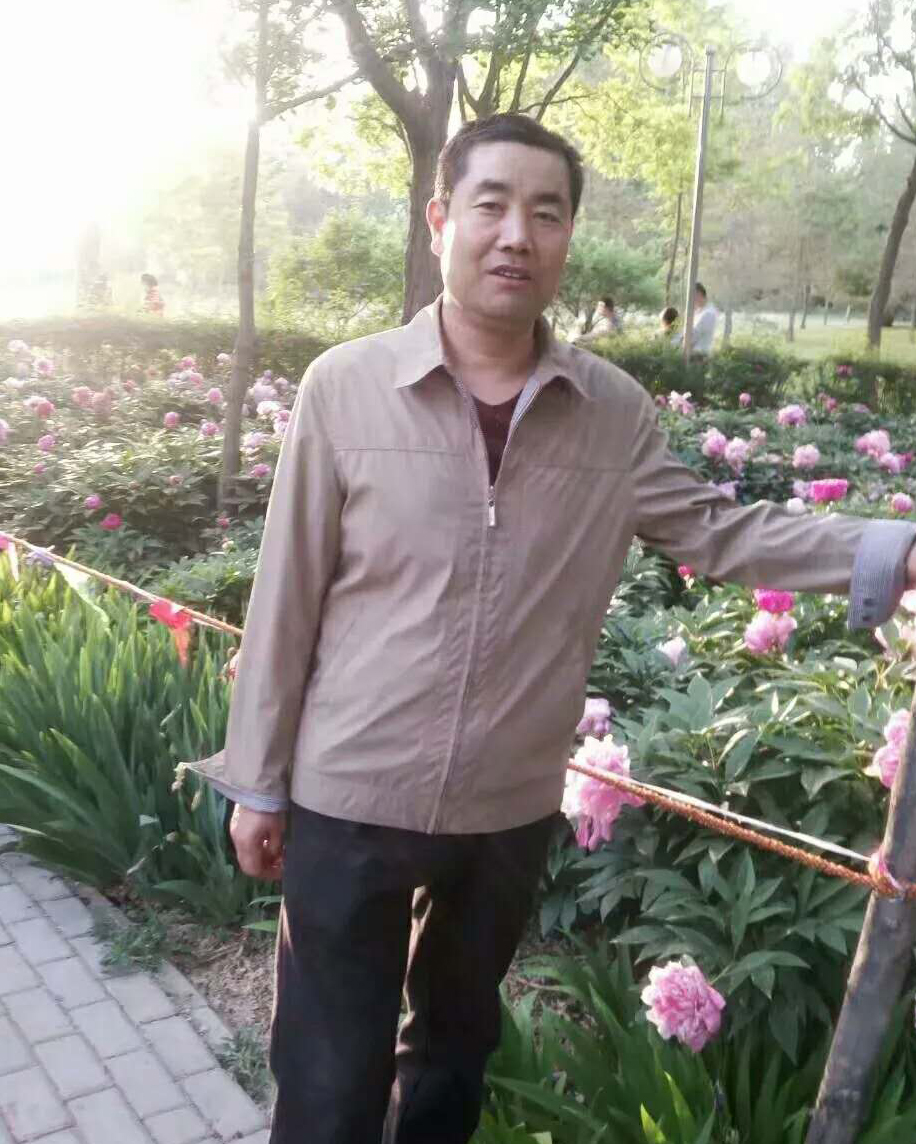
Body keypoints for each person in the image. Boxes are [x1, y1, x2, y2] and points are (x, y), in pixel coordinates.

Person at [185, 113, 916, 1144]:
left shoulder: (609, 412)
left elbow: (719, 531)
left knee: (451, 1064)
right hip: (351, 792)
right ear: (441, 219)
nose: (516, 234)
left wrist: (891, 551)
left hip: (507, 803)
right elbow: (287, 593)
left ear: (569, 235)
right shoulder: (346, 387)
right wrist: (258, 779)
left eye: (546, 212)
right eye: (490, 205)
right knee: (328, 1082)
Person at [690, 282, 717, 357]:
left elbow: (692, 337)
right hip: (694, 354)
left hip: (699, 356)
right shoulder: (698, 311)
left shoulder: (708, 313)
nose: (690, 300)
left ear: (698, 294)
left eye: (692, 296)